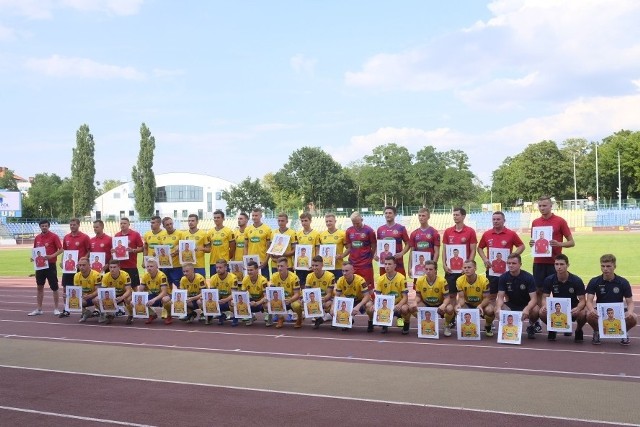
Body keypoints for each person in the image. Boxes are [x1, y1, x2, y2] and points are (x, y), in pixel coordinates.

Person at [529, 196, 574, 333]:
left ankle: (563, 323)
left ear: (551, 206)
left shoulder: (560, 221)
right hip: (539, 262)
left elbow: (571, 242)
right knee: (538, 292)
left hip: (555, 263)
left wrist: (559, 244)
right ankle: (537, 322)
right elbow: (534, 242)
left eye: (545, 205)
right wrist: (532, 243)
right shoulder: (535, 222)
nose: (542, 208)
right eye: (540, 206)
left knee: (559, 292)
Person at [586, 254, 636, 345]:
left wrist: (630, 311)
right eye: (603, 266)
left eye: (608, 266)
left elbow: (630, 302)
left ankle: (624, 332)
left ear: (614, 267)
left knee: (634, 317)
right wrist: (592, 310)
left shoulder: (623, 282)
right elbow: (589, 301)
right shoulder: (594, 281)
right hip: (601, 311)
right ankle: (597, 332)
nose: (605, 269)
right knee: (589, 314)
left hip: (618, 311)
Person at [477, 211, 525, 302]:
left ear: (504, 220)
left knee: (508, 294)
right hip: (492, 270)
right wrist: (485, 259)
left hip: (507, 270)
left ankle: (507, 314)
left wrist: (513, 256)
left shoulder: (511, 233)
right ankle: (494, 314)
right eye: (494, 219)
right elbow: (479, 248)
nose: (495, 221)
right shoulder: (487, 234)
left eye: (498, 219)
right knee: (491, 295)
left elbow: (521, 246)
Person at [540, 254, 587, 342]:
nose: (559, 267)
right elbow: (544, 298)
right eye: (557, 264)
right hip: (556, 308)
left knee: (583, 313)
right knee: (541, 312)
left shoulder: (576, 280)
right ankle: (553, 329)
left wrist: (578, 308)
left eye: (562, 264)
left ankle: (578, 329)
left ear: (567, 265)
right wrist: (544, 306)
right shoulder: (549, 280)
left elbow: (582, 300)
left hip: (572, 308)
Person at [496, 254, 539, 339]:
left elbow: (534, 299)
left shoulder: (528, 277)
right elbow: (500, 298)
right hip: (511, 304)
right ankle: (507, 329)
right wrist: (498, 307)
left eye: (514, 263)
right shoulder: (503, 277)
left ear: (520, 264)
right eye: (509, 263)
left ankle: (531, 325)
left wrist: (527, 308)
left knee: (536, 309)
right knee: (497, 309)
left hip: (525, 304)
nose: (510, 265)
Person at [411, 260, 455, 336]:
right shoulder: (420, 280)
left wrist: (443, 305)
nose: (428, 271)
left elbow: (447, 298)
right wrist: (415, 302)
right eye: (426, 269)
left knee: (450, 308)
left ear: (435, 270)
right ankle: (424, 323)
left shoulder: (442, 281)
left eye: (430, 269)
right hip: (426, 303)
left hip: (439, 304)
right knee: (411, 307)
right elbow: (418, 296)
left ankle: (446, 325)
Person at [368, 256, 410, 334]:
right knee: (370, 308)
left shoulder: (401, 278)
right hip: (386, 304)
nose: (387, 266)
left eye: (389, 264)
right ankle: (384, 324)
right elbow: (377, 296)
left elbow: (405, 297)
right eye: (385, 264)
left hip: (398, 303)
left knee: (405, 309)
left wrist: (399, 305)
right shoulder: (380, 279)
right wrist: (375, 305)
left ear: (395, 266)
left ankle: (406, 323)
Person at [29, 219, 63, 316]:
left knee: (54, 287)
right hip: (40, 266)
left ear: (48, 226)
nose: (44, 227)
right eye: (42, 226)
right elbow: (35, 250)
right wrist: (33, 258)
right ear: (40, 227)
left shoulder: (54, 236)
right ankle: (39, 309)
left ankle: (56, 309)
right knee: (39, 286)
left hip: (50, 265)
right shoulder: (37, 238)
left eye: (46, 226)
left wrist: (51, 256)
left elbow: (61, 249)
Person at [60, 218, 91, 317]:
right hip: (69, 268)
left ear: (78, 225)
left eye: (74, 224)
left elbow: (89, 251)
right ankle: (66, 309)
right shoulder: (66, 237)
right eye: (71, 225)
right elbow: (65, 251)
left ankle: (84, 311)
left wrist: (82, 262)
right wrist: (62, 261)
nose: (72, 226)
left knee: (81, 288)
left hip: (79, 267)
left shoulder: (85, 237)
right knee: (66, 287)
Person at [454, 260, 494, 336]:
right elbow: (461, 298)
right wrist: (459, 305)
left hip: (481, 304)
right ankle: (466, 329)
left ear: (475, 268)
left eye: (469, 267)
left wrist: (481, 306)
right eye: (465, 267)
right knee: (458, 309)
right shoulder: (459, 280)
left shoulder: (484, 280)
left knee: (490, 310)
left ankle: (488, 325)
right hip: (468, 304)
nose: (466, 269)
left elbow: (487, 298)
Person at [442, 207, 477, 294]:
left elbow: (473, 250)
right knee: (451, 294)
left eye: (457, 215)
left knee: (466, 294)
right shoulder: (448, 231)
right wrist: (444, 264)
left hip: (465, 269)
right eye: (454, 215)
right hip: (451, 269)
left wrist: (468, 266)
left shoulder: (470, 231)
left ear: (463, 216)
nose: (455, 217)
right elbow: (444, 250)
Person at [345, 211, 377, 292]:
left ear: (362, 220)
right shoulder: (349, 231)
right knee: (353, 286)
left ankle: (370, 301)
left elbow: (374, 245)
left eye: (357, 223)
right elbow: (349, 247)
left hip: (365, 264)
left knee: (368, 287)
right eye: (353, 223)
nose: (356, 225)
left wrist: (371, 256)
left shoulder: (369, 230)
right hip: (353, 263)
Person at [376, 206, 410, 276]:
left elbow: (408, 243)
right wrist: (375, 254)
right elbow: (378, 245)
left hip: (397, 262)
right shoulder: (380, 229)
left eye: (390, 213)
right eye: (386, 213)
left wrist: (401, 253)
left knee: (400, 283)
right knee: (384, 283)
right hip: (384, 263)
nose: (387, 215)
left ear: (395, 215)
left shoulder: (401, 228)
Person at [270, 257, 303, 328]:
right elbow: (271, 291)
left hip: (292, 299)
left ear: (287, 266)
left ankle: (300, 318)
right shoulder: (274, 276)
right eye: (278, 266)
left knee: (296, 305)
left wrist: (290, 300)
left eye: (281, 266)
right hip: (281, 300)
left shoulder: (294, 277)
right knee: (269, 303)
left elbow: (297, 294)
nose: (279, 268)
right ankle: (280, 318)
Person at [114, 217, 144, 292]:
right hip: (120, 265)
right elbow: (114, 249)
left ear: (129, 224)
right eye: (121, 223)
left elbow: (141, 248)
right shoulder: (117, 235)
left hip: (131, 265)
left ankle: (136, 301)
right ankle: (124, 301)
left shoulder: (135, 234)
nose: (122, 225)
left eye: (124, 223)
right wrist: (113, 251)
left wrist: (133, 250)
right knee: (121, 286)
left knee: (134, 286)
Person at [409, 207, 440, 278]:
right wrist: (410, 268)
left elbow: (436, 252)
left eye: (423, 216)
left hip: (430, 268)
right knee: (418, 287)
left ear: (428, 217)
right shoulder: (414, 233)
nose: (421, 218)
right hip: (417, 268)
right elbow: (412, 252)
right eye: (419, 215)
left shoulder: (434, 232)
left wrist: (433, 267)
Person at [306, 256, 336, 329]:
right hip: (316, 299)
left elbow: (329, 294)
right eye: (313, 265)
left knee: (327, 305)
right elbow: (306, 292)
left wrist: (323, 299)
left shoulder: (330, 276)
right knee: (303, 304)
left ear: (322, 265)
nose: (314, 267)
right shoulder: (309, 276)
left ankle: (335, 320)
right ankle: (318, 319)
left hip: (329, 298)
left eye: (316, 265)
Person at [139, 258, 172, 325]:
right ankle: (152, 314)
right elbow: (140, 289)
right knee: (139, 299)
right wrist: (135, 298)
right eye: (147, 266)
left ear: (157, 267)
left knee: (165, 300)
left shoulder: (162, 276)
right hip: (154, 295)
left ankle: (169, 315)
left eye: (151, 266)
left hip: (165, 295)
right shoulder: (145, 276)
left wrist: (154, 300)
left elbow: (164, 292)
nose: (149, 268)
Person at [100, 259, 133, 324]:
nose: (112, 269)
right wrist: (109, 298)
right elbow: (103, 291)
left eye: (114, 267)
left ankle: (131, 315)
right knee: (100, 299)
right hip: (112, 294)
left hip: (124, 293)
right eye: (111, 267)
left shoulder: (125, 275)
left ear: (119, 267)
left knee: (128, 299)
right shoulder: (105, 276)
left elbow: (128, 290)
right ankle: (110, 314)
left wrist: (122, 297)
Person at [208, 259, 238, 326]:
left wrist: (225, 300)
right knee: (207, 300)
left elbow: (234, 294)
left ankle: (236, 317)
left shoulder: (233, 278)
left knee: (233, 301)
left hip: (229, 299)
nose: (218, 269)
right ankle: (221, 315)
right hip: (220, 299)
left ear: (225, 268)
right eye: (217, 267)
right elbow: (212, 293)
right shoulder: (213, 278)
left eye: (220, 267)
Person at [245, 208, 273, 278]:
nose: (254, 217)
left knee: (264, 283)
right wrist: (245, 259)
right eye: (253, 215)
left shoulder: (267, 229)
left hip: (262, 262)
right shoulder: (247, 229)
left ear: (261, 216)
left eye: (256, 215)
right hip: (251, 262)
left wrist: (266, 261)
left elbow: (269, 247)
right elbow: (245, 246)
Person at [320, 213, 349, 279]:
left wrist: (342, 256)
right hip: (326, 266)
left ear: (335, 221)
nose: (328, 223)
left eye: (330, 221)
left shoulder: (342, 234)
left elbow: (349, 248)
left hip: (338, 266)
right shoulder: (322, 235)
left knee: (339, 286)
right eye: (326, 221)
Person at [239, 260, 268, 326]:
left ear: (257, 270)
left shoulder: (263, 280)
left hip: (261, 300)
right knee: (240, 301)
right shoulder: (245, 279)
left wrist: (257, 303)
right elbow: (243, 295)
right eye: (248, 270)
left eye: (251, 270)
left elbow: (266, 296)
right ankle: (251, 316)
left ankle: (268, 316)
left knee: (267, 302)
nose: (249, 272)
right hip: (252, 299)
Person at [208, 210, 236, 277]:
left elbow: (232, 248)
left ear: (223, 219)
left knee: (226, 282)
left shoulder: (228, 231)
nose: (216, 219)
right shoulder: (210, 232)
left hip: (224, 262)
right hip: (213, 262)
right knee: (214, 283)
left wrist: (227, 258)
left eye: (218, 217)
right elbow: (208, 247)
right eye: (214, 217)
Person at [74, 257, 102, 323]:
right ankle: (86, 313)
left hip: (94, 296)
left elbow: (98, 290)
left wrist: (90, 295)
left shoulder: (96, 275)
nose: (81, 267)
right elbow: (77, 290)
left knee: (97, 299)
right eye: (80, 265)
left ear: (89, 265)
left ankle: (103, 314)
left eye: (84, 265)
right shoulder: (76, 276)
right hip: (85, 297)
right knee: (72, 300)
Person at [159, 217, 185, 290]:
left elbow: (184, 247)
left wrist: (178, 250)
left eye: (171, 224)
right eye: (167, 225)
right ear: (163, 226)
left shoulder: (180, 234)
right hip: (166, 266)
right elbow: (160, 249)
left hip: (177, 266)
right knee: (167, 286)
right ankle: (169, 300)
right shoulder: (162, 236)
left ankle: (181, 301)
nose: (170, 226)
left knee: (180, 286)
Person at [296, 212, 320, 284]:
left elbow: (317, 249)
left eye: (306, 220)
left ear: (310, 221)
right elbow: (296, 251)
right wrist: (295, 263)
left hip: (310, 265)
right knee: (301, 284)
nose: (304, 223)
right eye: (302, 221)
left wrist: (315, 264)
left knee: (311, 284)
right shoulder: (298, 234)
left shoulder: (316, 234)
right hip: (300, 265)